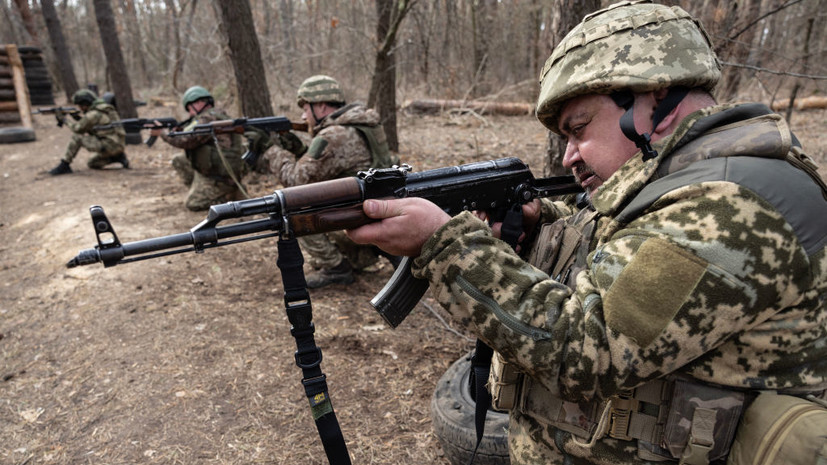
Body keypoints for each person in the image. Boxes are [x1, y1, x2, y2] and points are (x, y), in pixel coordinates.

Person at [348, 1, 827, 464]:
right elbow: (622, 241)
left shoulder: (730, 204)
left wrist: (445, 245)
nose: (567, 157)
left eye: (579, 129)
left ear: (657, 97)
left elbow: (585, 351)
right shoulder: (681, 176)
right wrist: (541, 224)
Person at [263, 75, 400, 289]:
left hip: (361, 217)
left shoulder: (334, 135)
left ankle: (336, 268)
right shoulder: (363, 124)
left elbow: (296, 182)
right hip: (378, 211)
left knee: (294, 212)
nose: (303, 115)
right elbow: (331, 168)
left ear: (321, 106)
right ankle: (364, 253)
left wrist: (269, 151)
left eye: (306, 109)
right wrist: (297, 149)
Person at [150, 86, 248, 211]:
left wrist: (162, 133)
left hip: (221, 176)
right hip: (214, 169)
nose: (190, 113)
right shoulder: (214, 115)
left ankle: (229, 195)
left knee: (193, 203)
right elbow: (192, 135)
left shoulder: (208, 119)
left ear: (199, 103)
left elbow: (186, 141)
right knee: (179, 160)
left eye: (190, 108)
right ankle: (203, 189)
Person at [48, 89, 128, 175]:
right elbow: (90, 127)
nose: (80, 108)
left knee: (77, 137)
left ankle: (65, 164)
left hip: (108, 145)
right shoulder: (103, 109)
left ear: (85, 103)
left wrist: (64, 120)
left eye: (80, 105)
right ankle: (117, 157)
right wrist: (77, 117)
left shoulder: (93, 114)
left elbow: (77, 129)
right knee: (92, 163)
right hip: (116, 145)